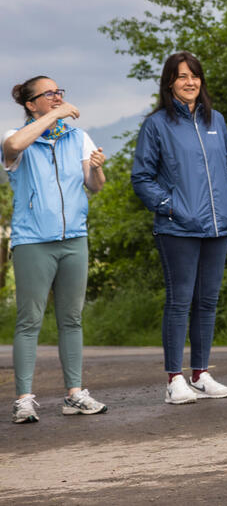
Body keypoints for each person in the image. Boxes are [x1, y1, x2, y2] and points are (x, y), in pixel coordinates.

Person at [131, 52, 227, 405]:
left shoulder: (217, 121)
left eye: (195, 76)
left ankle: (201, 374)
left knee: (207, 301)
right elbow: (142, 178)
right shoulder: (157, 125)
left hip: (217, 226)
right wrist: (171, 209)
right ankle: (174, 379)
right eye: (182, 76)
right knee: (179, 301)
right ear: (169, 82)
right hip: (177, 228)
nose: (190, 82)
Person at [4, 76, 108, 423]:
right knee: (29, 321)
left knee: (71, 319)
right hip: (33, 241)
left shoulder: (77, 137)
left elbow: (94, 187)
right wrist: (55, 114)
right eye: (48, 94)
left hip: (74, 238)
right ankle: (23, 399)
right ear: (31, 104)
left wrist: (96, 170)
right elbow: (14, 146)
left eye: (59, 92)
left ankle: (75, 394)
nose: (57, 97)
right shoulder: (17, 139)